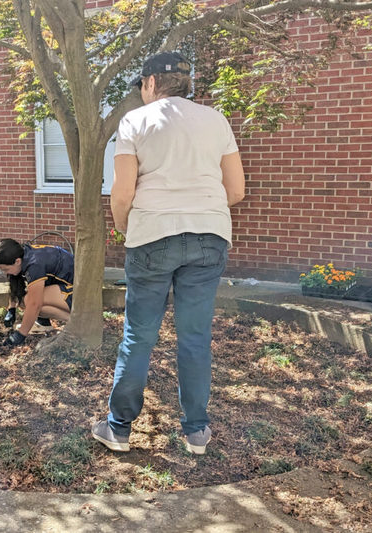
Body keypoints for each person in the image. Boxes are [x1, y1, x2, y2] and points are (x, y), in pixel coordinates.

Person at [92, 51, 245, 455]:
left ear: (149, 83)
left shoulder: (135, 121)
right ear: (186, 83)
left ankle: (119, 428)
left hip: (152, 236)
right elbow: (237, 191)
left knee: (138, 335)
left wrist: (127, 227)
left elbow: (122, 192)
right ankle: (196, 432)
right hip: (209, 236)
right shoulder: (216, 120)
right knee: (194, 336)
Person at [0, 238, 74, 346]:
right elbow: (16, 287)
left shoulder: (34, 264)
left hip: (82, 294)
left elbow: (35, 304)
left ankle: (78, 323)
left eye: (6, 269)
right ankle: (43, 323)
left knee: (30, 301)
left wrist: (20, 335)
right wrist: (11, 308)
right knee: (25, 301)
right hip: (68, 288)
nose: (5, 273)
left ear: (17, 261)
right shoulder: (24, 254)